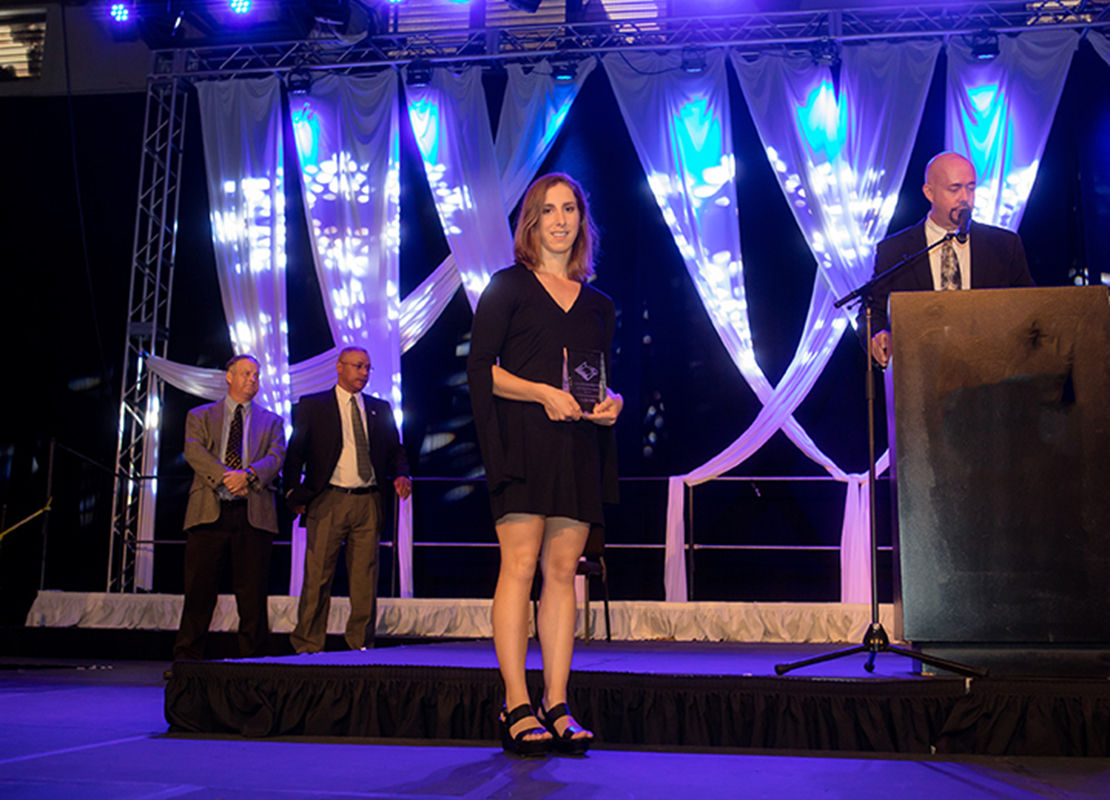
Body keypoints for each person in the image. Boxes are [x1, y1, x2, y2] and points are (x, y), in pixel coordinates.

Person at [467, 173, 622, 757]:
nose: (561, 220)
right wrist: (540, 393)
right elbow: (482, 370)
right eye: (549, 210)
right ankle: (516, 700)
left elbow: (603, 378)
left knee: (562, 573)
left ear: (583, 221)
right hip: (522, 441)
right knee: (520, 565)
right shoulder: (507, 286)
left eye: (571, 210)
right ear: (530, 221)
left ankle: (556, 701)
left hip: (578, 446)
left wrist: (615, 404)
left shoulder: (601, 305)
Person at [284, 347, 411, 653]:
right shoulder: (314, 405)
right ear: (339, 367)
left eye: (368, 368)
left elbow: (396, 450)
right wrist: (292, 494)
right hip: (329, 499)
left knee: (365, 580)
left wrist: (402, 474)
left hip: (367, 501)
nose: (364, 373)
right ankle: (308, 646)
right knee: (317, 578)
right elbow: (296, 452)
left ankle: (360, 646)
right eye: (358, 366)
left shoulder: (379, 408)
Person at [858, 151, 1034, 367]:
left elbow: (1028, 307)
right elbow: (872, 311)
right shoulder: (894, 250)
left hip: (993, 375)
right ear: (929, 193)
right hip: (921, 376)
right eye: (955, 188)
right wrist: (877, 335)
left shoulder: (1004, 245)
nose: (965, 198)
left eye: (970, 188)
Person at [174, 354, 286, 661]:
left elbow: (276, 457)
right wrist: (227, 477)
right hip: (209, 511)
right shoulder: (200, 415)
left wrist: (248, 476)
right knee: (199, 591)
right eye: (247, 373)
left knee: (252, 595)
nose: (253, 379)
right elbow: (193, 451)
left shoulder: (273, 421)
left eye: (257, 375)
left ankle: (253, 662)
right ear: (229, 376)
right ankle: (187, 658)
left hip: (253, 515)